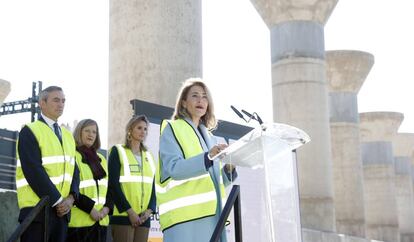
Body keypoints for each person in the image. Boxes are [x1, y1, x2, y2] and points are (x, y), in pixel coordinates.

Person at [156, 77, 237, 242]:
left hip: (213, 217)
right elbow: (174, 169)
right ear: (184, 103)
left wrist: (228, 171)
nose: (201, 100)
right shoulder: (172, 128)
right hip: (184, 220)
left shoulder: (211, 138)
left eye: (204, 96)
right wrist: (207, 157)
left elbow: (212, 181)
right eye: (195, 96)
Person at [15, 86, 79, 242]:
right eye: (56, 100)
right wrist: (58, 201)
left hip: (61, 214)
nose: (61, 104)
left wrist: (71, 198)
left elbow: (74, 171)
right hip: (36, 212)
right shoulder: (29, 131)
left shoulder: (67, 135)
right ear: (41, 103)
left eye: (63, 101)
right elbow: (33, 170)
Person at [108, 115, 156, 242]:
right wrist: (130, 212)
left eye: (145, 129)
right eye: (139, 128)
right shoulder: (117, 151)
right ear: (130, 129)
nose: (143, 132)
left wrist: (150, 210)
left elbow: (154, 186)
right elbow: (113, 185)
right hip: (123, 216)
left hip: (144, 218)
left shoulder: (149, 156)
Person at [67, 119, 113, 242]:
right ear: (79, 133)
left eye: (94, 132)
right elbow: (70, 188)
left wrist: (106, 209)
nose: (91, 134)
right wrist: (91, 210)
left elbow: (109, 189)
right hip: (79, 224)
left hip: (101, 223)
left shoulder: (102, 160)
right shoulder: (72, 156)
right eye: (87, 130)